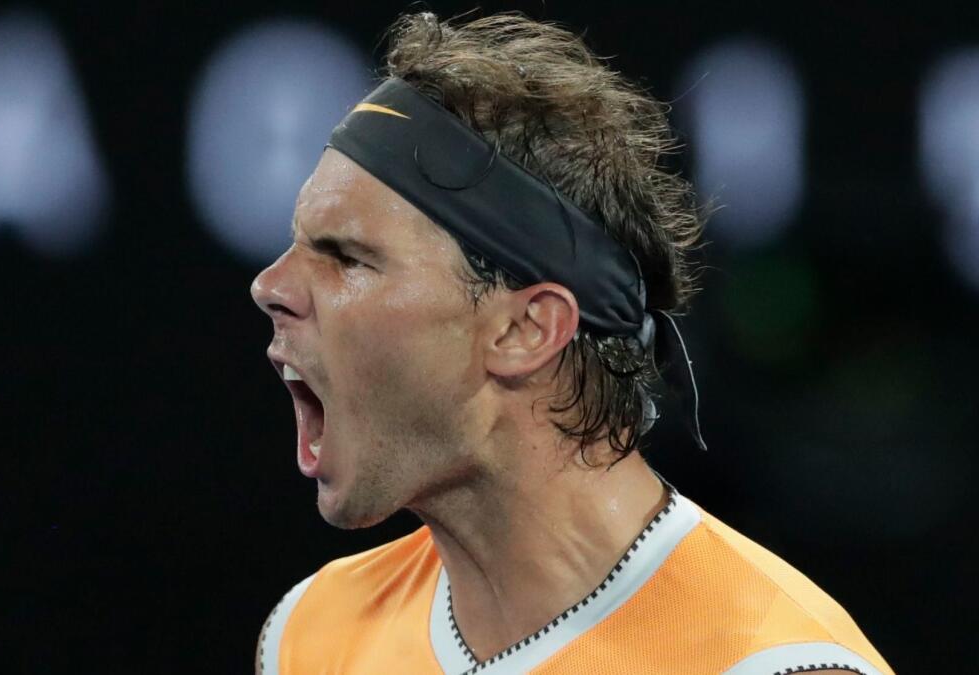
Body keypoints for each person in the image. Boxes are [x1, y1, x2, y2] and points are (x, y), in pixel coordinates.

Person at [249, 11, 892, 675]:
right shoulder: (313, 631)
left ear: (525, 328)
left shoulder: (768, 663)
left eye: (347, 257)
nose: (269, 286)